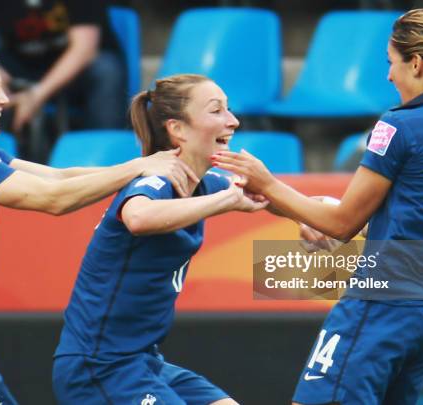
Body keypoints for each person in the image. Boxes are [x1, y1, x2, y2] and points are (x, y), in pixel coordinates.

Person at [213, 8, 423, 405]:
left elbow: (342, 223)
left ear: (415, 63)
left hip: (381, 303)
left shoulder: (401, 125)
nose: (388, 75)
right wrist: (296, 204)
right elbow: (417, 218)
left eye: (391, 63)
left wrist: (267, 182)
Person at [0, 40, 198, 405]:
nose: (4, 100)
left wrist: (139, 169)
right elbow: (52, 200)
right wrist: (139, 168)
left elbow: (57, 177)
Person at [52, 74, 267, 405]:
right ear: (177, 129)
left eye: (229, 110)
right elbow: (137, 217)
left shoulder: (204, 183)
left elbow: (269, 196)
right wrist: (225, 203)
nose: (233, 121)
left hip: (143, 362)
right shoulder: (154, 181)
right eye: (217, 111)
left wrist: (313, 216)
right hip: (98, 365)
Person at [0, 0, 127, 134]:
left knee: (106, 71)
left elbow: (84, 49)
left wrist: (37, 94)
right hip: (20, 67)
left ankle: (102, 156)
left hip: (76, 72)